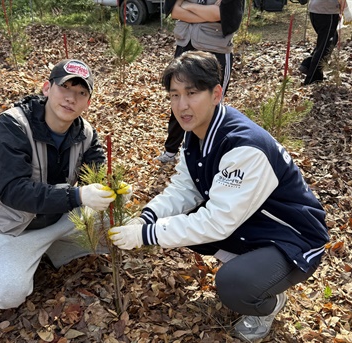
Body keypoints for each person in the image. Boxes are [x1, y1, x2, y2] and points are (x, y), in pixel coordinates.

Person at [109, 51, 329, 341]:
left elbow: (216, 223)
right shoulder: (197, 132)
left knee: (233, 284)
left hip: (294, 238)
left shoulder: (243, 147)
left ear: (216, 93)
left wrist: (146, 235)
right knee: (183, 219)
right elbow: (184, 188)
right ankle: (254, 266)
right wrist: (147, 216)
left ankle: (268, 301)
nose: (182, 105)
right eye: (174, 95)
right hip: (252, 222)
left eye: (192, 93)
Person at [0, 59, 119, 309]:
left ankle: (53, 251)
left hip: (59, 219)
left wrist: (113, 189)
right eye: (65, 88)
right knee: (8, 297)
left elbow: (95, 177)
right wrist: (79, 196)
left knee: (122, 228)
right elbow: (13, 192)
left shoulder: (87, 134)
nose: (71, 98)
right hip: (11, 227)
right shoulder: (11, 125)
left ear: (88, 102)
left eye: (81, 93)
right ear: (46, 88)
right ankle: (11, 262)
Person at [155, 0, 244, 163]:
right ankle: (171, 150)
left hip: (215, 49)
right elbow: (174, 11)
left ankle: (208, 152)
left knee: (211, 104)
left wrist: (187, 6)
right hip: (185, 46)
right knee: (179, 99)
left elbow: (220, 14)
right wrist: (206, 12)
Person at [299, 0, 344, 85]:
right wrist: (342, 10)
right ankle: (312, 80)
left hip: (316, 10)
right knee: (324, 46)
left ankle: (307, 64)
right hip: (326, 12)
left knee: (331, 40)